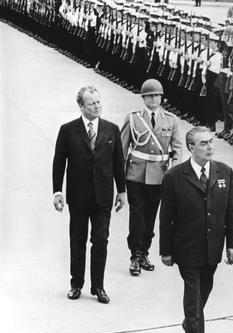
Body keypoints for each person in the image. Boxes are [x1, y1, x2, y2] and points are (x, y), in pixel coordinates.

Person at [160, 126, 233, 333]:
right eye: (203, 143)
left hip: (213, 247)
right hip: (187, 248)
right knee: (193, 294)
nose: (209, 147)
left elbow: (231, 212)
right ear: (191, 147)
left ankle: (190, 320)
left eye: (211, 142)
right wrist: (166, 249)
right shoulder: (174, 176)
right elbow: (166, 216)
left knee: (205, 288)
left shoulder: (225, 172)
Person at [52, 86, 126, 304]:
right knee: (77, 240)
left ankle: (98, 286)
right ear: (81, 106)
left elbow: (117, 163)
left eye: (99, 102)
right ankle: (76, 284)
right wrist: (57, 191)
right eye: (92, 103)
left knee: (101, 240)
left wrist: (121, 191)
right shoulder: (68, 130)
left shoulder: (111, 129)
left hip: (103, 196)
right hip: (78, 196)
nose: (97, 107)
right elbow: (59, 162)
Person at [120, 79, 183, 276]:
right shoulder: (133, 119)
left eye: (157, 96)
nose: (154, 99)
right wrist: (119, 179)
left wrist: (175, 166)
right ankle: (135, 255)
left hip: (159, 175)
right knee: (137, 214)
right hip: (135, 174)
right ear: (144, 98)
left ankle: (145, 251)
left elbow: (178, 147)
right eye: (150, 96)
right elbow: (122, 149)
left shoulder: (171, 120)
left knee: (151, 215)